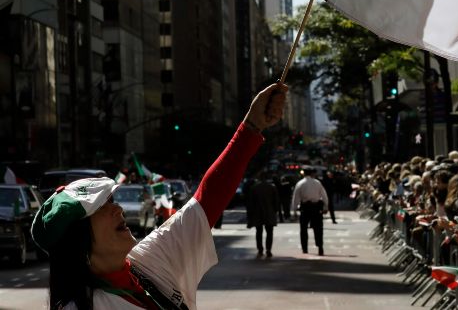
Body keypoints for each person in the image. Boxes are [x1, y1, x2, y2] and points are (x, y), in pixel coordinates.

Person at [31, 83, 288, 309]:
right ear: (78, 244)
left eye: (111, 201)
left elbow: (205, 202)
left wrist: (252, 125)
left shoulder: (147, 261)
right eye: (101, 208)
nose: (117, 210)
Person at [292, 166, 329, 255]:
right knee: (318, 229)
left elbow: (296, 198)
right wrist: (325, 207)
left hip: (305, 208)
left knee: (303, 229)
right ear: (312, 173)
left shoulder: (300, 183)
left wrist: (294, 211)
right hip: (316, 208)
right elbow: (324, 195)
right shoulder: (317, 183)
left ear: (304, 173)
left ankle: (305, 248)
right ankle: (320, 247)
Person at [247, 171, 280, 258]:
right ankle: (268, 249)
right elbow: (276, 202)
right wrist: (275, 211)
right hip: (269, 212)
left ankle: (260, 249)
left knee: (259, 232)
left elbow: (250, 203)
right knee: (269, 232)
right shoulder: (272, 187)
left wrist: (250, 215)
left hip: (257, 213)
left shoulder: (254, 188)